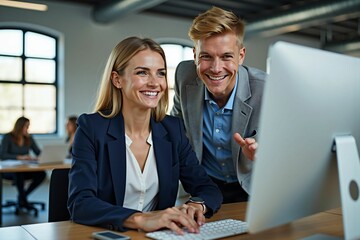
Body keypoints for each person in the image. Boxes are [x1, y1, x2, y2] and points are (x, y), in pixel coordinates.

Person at [68, 36, 222, 234]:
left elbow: (208, 188)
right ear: (117, 79)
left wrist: (196, 206)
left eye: (160, 74)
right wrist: (141, 220)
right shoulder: (91, 128)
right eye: (142, 72)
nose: (154, 83)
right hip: (112, 235)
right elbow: (80, 203)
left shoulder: (172, 130)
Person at [170, 6, 267, 203]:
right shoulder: (184, 75)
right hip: (204, 189)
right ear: (195, 54)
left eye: (226, 56)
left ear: (241, 56)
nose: (216, 69)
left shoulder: (267, 90)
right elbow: (175, 129)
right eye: (206, 56)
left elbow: (289, 153)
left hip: (255, 190)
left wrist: (264, 154)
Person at [0, 116, 46, 208]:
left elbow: (38, 152)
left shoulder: (29, 138)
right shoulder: (8, 137)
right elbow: (2, 155)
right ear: (20, 126)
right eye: (26, 126)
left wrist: (39, 157)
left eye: (28, 126)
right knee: (19, 174)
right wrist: (19, 157)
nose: (28, 129)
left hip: (25, 168)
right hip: (10, 171)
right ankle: (23, 200)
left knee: (41, 174)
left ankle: (22, 196)